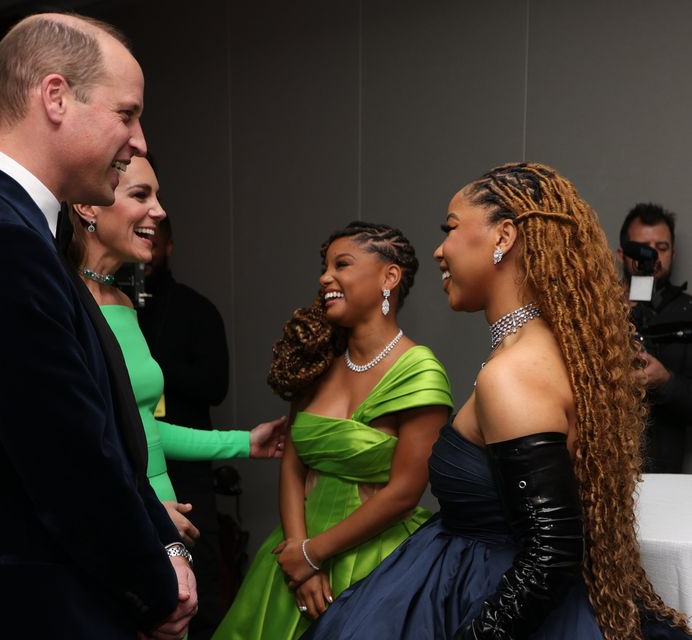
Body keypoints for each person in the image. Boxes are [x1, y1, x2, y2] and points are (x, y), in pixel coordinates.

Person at [303, 163, 692, 640]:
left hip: (486, 596)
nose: (439, 250)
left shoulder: (513, 374)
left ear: (503, 236)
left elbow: (551, 552)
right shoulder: (542, 348)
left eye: (450, 228)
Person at [0, 13, 196, 640]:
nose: (140, 140)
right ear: (56, 97)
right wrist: (152, 589)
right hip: (36, 606)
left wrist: (164, 544)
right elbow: (68, 458)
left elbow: (101, 428)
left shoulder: (18, 230)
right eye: (127, 114)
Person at [213, 221, 454, 639]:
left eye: (342, 264)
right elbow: (291, 467)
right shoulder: (317, 361)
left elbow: (405, 491)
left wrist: (314, 554)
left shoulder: (419, 370)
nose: (326, 277)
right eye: (324, 267)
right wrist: (297, 557)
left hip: (377, 561)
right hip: (293, 557)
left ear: (389, 277)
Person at [66, 156, 285, 545]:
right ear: (88, 207)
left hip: (164, 525)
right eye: (140, 194)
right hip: (121, 529)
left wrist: (244, 443)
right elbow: (71, 446)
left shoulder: (121, 301)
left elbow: (144, 430)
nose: (160, 210)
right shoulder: (62, 303)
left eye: (157, 195)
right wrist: (141, 509)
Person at [138, 215, 232, 639]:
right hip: (140, 465)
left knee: (201, 582)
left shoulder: (195, 309)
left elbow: (216, 386)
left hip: (191, 469)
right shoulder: (108, 304)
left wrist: (152, 369)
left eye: (156, 241)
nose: (148, 249)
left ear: (170, 247)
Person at [618, 203, 692, 473]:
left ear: (673, 252)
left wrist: (666, 382)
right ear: (622, 254)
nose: (653, 257)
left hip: (669, 476)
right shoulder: (598, 312)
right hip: (605, 473)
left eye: (661, 248)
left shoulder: (688, 312)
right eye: (643, 249)